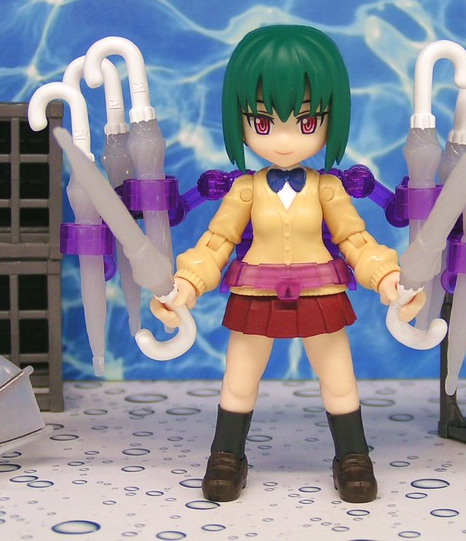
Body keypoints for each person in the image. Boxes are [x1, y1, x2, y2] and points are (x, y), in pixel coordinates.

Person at [152, 25, 424, 503]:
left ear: (331, 119)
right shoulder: (244, 189)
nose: (282, 139)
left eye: (306, 121)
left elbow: (355, 240)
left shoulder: (328, 188)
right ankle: (226, 454)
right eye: (261, 122)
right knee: (240, 380)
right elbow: (216, 242)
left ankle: (353, 455)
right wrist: (186, 286)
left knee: (338, 379)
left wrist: (388, 279)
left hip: (321, 294)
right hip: (255, 294)